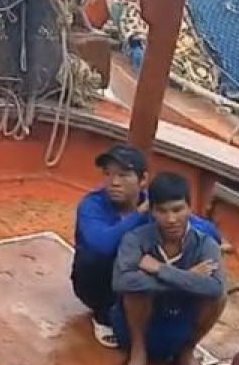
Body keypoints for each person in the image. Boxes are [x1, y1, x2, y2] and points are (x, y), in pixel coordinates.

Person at [72, 144, 220, 348]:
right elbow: (102, 245)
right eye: (108, 174)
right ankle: (103, 314)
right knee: (92, 257)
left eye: (123, 175)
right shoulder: (91, 205)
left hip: (144, 278)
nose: (114, 182)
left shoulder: (156, 206)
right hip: (106, 280)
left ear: (143, 181)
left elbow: (208, 232)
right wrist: (139, 214)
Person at [111, 171, 226, 365]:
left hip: (181, 319)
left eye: (177, 209)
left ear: (190, 209)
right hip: (135, 322)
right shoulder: (135, 239)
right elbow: (122, 281)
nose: (171, 219)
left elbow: (215, 287)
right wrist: (189, 277)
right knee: (135, 292)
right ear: (152, 210)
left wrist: (159, 269)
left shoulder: (206, 244)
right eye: (162, 211)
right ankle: (138, 352)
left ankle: (186, 352)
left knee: (219, 298)